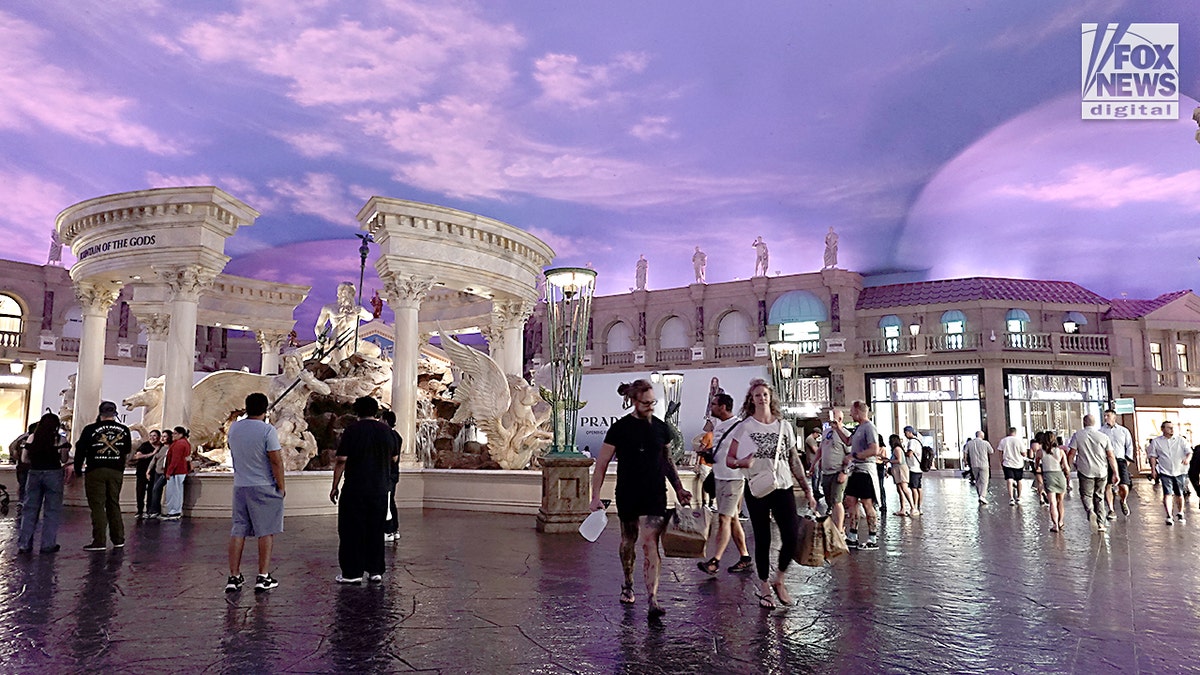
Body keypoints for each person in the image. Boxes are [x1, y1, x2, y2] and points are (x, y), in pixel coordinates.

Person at [588, 380, 691, 619]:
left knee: (650, 543)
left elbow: (667, 461)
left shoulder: (661, 428)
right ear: (634, 401)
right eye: (646, 403)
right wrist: (594, 496)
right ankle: (627, 583)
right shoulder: (620, 429)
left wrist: (679, 489)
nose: (650, 407)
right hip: (628, 492)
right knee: (628, 541)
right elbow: (601, 464)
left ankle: (653, 599)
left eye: (653, 402)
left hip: (655, 493)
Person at [726, 379, 816, 609]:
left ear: (770, 397)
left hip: (782, 485)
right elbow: (729, 459)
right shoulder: (745, 427)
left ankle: (780, 579)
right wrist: (741, 462)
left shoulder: (784, 426)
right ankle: (765, 586)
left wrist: (807, 489)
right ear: (752, 399)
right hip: (757, 487)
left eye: (765, 394)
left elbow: (794, 460)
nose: (761, 398)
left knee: (791, 535)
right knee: (762, 537)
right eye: (757, 395)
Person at [330, 396, 399, 584]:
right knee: (376, 529)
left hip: (355, 488)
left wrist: (334, 486)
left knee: (351, 530)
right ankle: (375, 570)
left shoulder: (352, 431)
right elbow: (394, 459)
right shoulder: (387, 432)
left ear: (356, 412)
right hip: (380, 489)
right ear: (376, 411)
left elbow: (342, 460)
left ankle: (352, 573)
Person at [225, 393, 286, 593]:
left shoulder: (234, 428)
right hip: (264, 485)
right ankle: (263, 575)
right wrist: (281, 485)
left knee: (238, 530)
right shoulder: (268, 430)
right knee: (265, 531)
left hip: (240, 485)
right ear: (265, 409)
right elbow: (275, 460)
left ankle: (234, 576)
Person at [695, 393, 752, 576]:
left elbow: (748, 450)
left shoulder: (740, 426)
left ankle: (715, 561)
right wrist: (708, 452)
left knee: (724, 519)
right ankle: (745, 557)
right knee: (733, 519)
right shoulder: (719, 427)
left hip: (733, 479)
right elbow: (721, 449)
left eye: (714, 404)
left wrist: (738, 464)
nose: (711, 407)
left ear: (723, 407)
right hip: (719, 476)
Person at [74, 401, 133, 551]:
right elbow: (127, 449)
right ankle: (118, 539)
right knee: (113, 503)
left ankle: (99, 541)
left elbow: (80, 449)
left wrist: (77, 468)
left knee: (98, 505)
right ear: (115, 413)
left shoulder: (90, 429)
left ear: (100, 413)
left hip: (96, 470)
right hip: (116, 471)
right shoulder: (124, 429)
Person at [16, 413, 72, 554]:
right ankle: (48, 544)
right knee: (52, 511)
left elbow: (24, 459)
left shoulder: (32, 437)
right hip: (53, 473)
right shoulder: (60, 439)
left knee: (30, 509)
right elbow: (64, 459)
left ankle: (24, 543)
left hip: (34, 473)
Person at [835, 400, 882, 550]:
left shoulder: (869, 427)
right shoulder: (858, 428)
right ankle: (852, 536)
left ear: (858, 411)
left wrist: (853, 456)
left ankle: (872, 538)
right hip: (855, 470)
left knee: (867, 504)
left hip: (865, 471)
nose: (850, 414)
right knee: (850, 501)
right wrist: (838, 429)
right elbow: (848, 441)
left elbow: (874, 450)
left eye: (851, 411)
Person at [1069, 414, 1118, 532]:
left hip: (1085, 470)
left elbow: (1071, 453)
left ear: (1083, 422)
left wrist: (1068, 467)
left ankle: (1090, 511)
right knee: (1099, 496)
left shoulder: (1078, 435)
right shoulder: (1103, 436)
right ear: (1094, 423)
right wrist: (1116, 472)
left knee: (1086, 494)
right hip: (1102, 470)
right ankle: (1101, 524)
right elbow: (1110, 455)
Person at [1146, 421, 1193, 526]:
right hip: (1165, 471)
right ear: (1162, 429)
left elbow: (1189, 452)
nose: (1172, 430)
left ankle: (1180, 512)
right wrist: (1153, 469)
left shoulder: (1180, 440)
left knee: (1179, 493)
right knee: (1167, 493)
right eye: (1169, 428)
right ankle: (1169, 515)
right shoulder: (1156, 442)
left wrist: (1187, 459)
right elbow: (1153, 456)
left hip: (1180, 471)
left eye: (1172, 427)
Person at [813, 409, 851, 531]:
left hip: (838, 472)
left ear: (840, 419)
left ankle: (839, 530)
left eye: (833, 415)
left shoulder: (845, 434)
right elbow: (821, 450)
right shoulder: (826, 432)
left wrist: (845, 471)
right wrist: (814, 464)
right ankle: (834, 526)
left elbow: (851, 455)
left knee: (836, 501)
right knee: (830, 501)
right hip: (826, 472)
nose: (830, 417)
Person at [1099, 409, 1135, 519]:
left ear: (1114, 417)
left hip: (1120, 460)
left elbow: (1129, 446)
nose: (1106, 418)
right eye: (1104, 416)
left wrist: (1128, 460)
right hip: (1106, 461)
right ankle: (1111, 509)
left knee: (1124, 485)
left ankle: (1123, 500)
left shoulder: (1123, 431)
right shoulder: (1101, 431)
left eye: (1108, 415)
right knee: (1108, 485)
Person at [1034, 433, 1070, 532]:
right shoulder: (1061, 452)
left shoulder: (1040, 452)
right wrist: (1067, 475)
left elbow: (1036, 464)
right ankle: (1061, 521)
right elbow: (1066, 468)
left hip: (1048, 477)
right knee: (1060, 501)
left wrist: (1037, 468)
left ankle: (1055, 525)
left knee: (1052, 503)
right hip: (1060, 476)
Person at [380, 409, 403, 543]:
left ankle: (388, 530)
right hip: (392, 474)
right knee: (390, 501)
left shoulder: (388, 435)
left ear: (385, 420)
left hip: (388, 474)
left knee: (387, 502)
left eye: (381, 419)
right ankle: (394, 530)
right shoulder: (396, 435)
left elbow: (394, 457)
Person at [161, 427, 192, 520]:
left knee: (173, 492)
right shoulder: (184, 443)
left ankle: (174, 511)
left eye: (175, 433)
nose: (173, 435)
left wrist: (169, 472)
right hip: (179, 471)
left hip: (176, 471)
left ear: (180, 434)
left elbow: (175, 460)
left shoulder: (179, 444)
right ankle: (174, 511)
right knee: (177, 491)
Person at [9, 422, 35, 528]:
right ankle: (26, 503)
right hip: (30, 467)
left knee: (23, 484)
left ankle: (22, 501)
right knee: (28, 486)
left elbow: (12, 447)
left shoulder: (21, 438)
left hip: (21, 466)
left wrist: (16, 459)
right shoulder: (34, 438)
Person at [130, 430, 160, 519]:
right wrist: (152, 454)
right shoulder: (145, 445)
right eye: (151, 435)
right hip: (142, 472)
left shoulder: (161, 446)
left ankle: (149, 510)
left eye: (154, 435)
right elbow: (137, 456)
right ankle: (139, 511)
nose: (152, 437)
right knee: (140, 492)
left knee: (151, 492)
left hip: (154, 473)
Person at [997, 427, 1027, 505]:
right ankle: (1019, 497)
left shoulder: (1003, 440)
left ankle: (1011, 498)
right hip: (1018, 463)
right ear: (1015, 432)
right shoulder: (1019, 441)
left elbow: (1000, 452)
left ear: (1008, 432)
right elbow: (1024, 453)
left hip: (1007, 463)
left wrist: (1001, 461)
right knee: (1019, 480)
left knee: (1009, 480)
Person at [146, 429, 171, 518]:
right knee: (155, 491)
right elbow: (154, 459)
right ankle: (154, 511)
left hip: (164, 473)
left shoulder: (171, 448)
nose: (163, 438)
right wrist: (148, 470)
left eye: (165, 436)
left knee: (156, 489)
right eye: (162, 436)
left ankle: (155, 511)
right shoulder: (161, 447)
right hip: (157, 472)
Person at [888, 434, 915, 517]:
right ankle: (902, 508)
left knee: (904, 488)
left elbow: (899, 460)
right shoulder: (896, 449)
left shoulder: (897, 449)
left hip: (901, 469)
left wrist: (889, 460)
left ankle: (912, 507)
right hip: (897, 470)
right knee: (900, 490)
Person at [963, 431, 994, 504]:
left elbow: (965, 453)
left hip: (974, 464)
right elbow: (991, 451)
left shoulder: (969, 443)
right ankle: (982, 496)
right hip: (984, 464)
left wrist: (965, 461)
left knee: (977, 480)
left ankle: (979, 495)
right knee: (984, 481)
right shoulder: (985, 443)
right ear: (982, 436)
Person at [902, 426, 923, 515]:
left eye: (906, 432)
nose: (905, 435)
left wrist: (903, 453)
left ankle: (914, 507)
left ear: (910, 432)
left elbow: (910, 454)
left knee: (914, 488)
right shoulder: (918, 441)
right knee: (919, 488)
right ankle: (919, 507)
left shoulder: (912, 442)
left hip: (913, 468)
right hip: (919, 468)